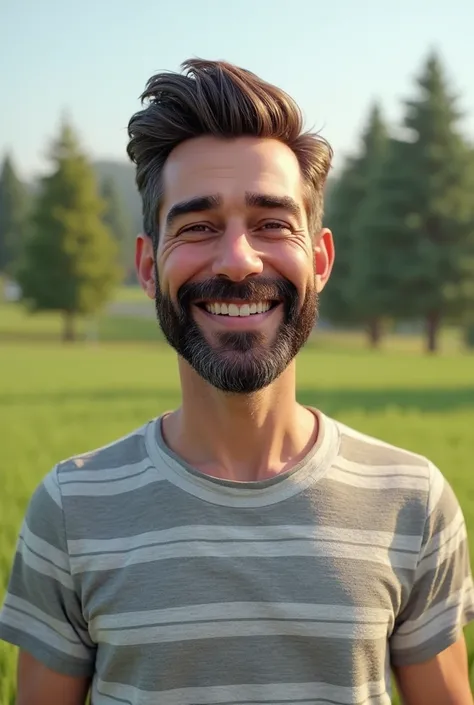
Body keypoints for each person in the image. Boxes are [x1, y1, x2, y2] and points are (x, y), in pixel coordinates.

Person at [0, 59, 473, 705]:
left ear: (321, 258)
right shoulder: (73, 508)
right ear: (147, 266)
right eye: (196, 227)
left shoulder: (412, 501)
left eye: (272, 223)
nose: (237, 259)